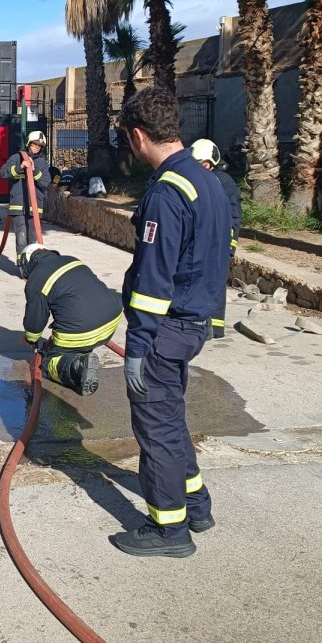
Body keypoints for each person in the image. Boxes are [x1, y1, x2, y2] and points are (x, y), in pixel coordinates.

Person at [113, 89, 231, 559]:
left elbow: (152, 279)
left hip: (164, 332)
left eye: (128, 140)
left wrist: (138, 344)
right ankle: (196, 504)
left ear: (138, 135)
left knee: (156, 428)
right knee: (170, 417)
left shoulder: (167, 193)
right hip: (192, 324)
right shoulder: (209, 182)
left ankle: (168, 529)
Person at [19, 244, 122, 396]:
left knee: (49, 362)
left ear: (27, 263)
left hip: (82, 331)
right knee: (76, 338)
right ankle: (83, 352)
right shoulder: (72, 260)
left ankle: (77, 366)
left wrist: (29, 339)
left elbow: (35, 321)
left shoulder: (35, 280)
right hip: (113, 319)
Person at [190, 138, 242, 339]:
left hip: (218, 242)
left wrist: (230, 246)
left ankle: (215, 327)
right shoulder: (194, 179)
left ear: (210, 163)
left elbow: (234, 217)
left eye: (201, 164)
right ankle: (199, 324)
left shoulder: (225, 182)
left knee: (215, 283)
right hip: (199, 241)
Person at [0, 131, 50, 262]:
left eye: (39, 146)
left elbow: (45, 183)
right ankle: (22, 264)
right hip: (19, 205)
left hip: (35, 207)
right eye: (34, 144)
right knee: (21, 237)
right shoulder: (16, 158)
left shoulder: (42, 163)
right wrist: (20, 167)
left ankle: (32, 263)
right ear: (29, 143)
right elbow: (3, 173)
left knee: (33, 238)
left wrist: (34, 172)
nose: (37, 147)